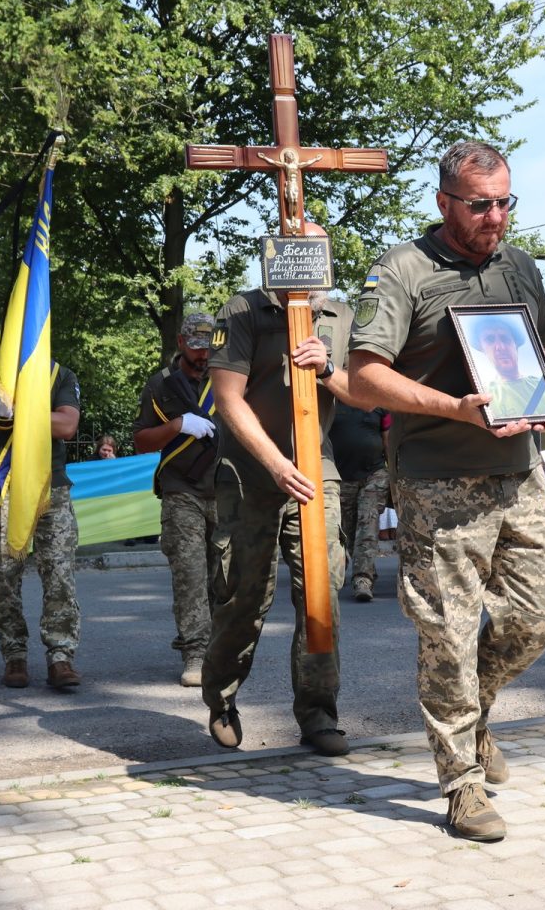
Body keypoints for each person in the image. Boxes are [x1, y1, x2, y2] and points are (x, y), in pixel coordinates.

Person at [347, 140, 545, 843]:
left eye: (505, 201)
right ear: (444, 202)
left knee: (539, 615)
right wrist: (455, 408)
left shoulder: (521, 266)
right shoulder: (404, 270)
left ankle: (475, 720)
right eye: (480, 204)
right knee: (446, 634)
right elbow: (363, 377)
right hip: (437, 480)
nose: (495, 216)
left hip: (517, 473)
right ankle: (461, 787)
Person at [203, 251, 355, 757]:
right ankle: (221, 697)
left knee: (321, 594)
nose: (310, 264)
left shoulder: (340, 316)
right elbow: (228, 398)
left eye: (319, 253)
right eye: (300, 252)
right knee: (244, 599)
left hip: (317, 472)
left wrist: (328, 368)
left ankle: (318, 714)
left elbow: (367, 394)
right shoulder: (241, 311)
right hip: (250, 475)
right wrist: (275, 463)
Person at [0, 360, 84, 689]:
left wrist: (20, 413)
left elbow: (67, 426)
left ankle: (60, 656)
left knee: (59, 574)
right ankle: (14, 654)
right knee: (5, 577)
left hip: (50, 487)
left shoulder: (58, 374)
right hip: (1, 489)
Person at [132, 312, 219, 686]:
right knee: (190, 574)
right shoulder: (161, 385)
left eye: (208, 347)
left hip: (227, 488)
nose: (203, 355)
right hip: (181, 489)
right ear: (182, 343)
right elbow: (140, 440)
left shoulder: (229, 378)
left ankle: (220, 649)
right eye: (196, 347)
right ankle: (196, 654)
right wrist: (176, 425)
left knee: (225, 576)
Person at [329, 399, 391, 601]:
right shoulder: (330, 401)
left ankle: (362, 579)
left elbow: (387, 439)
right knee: (346, 531)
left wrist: (395, 475)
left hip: (375, 473)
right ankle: (363, 568)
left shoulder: (378, 402)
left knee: (368, 524)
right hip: (341, 476)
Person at [466, 315, 545, 420]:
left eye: (505, 338)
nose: (500, 347)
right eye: (490, 340)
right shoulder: (482, 394)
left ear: (515, 344)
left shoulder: (541, 385)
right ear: (483, 349)